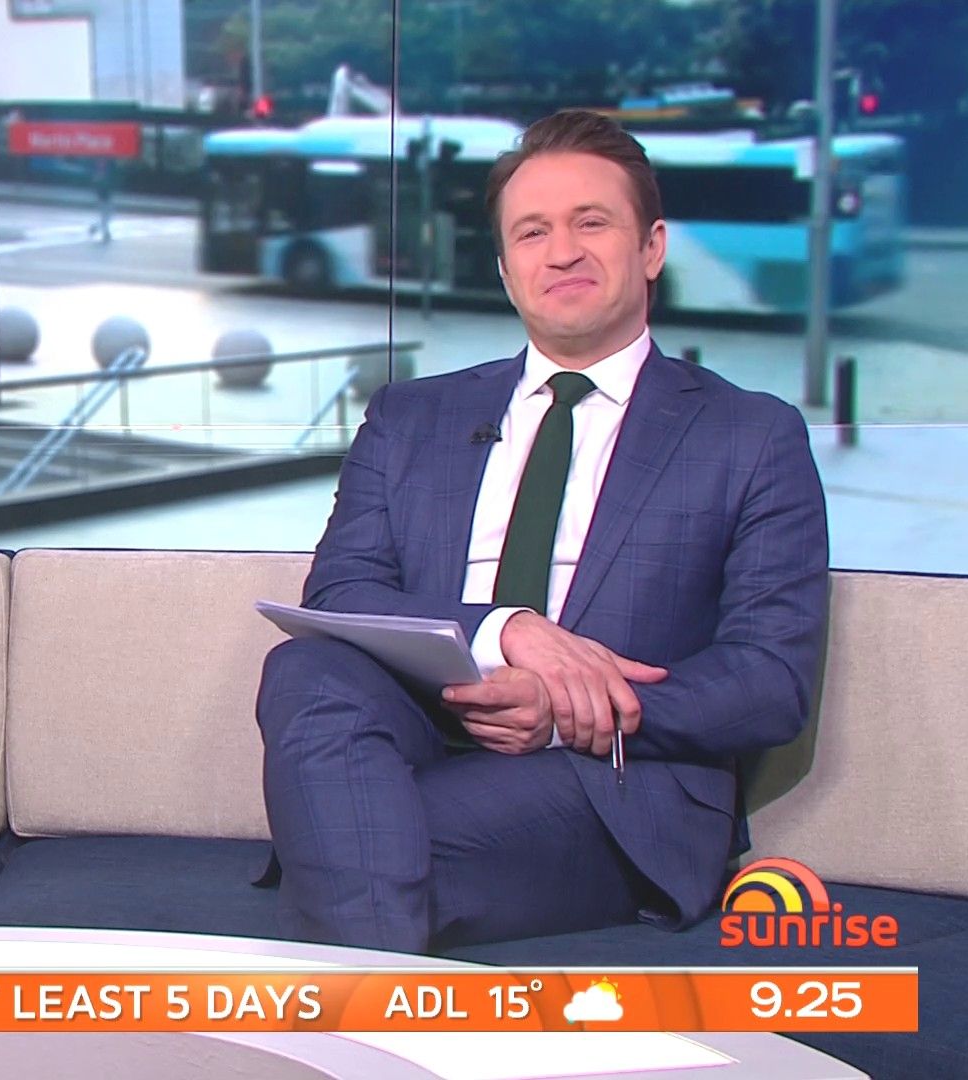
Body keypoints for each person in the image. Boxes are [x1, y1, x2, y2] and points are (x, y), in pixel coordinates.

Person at [255, 110, 829, 952]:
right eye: (532, 232)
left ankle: (346, 958)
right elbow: (343, 593)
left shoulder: (751, 434)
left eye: (591, 223)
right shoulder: (410, 415)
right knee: (305, 668)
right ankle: (369, 955)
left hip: (610, 780)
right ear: (505, 267)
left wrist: (563, 709)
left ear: (652, 248)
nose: (561, 252)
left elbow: (770, 679)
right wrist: (505, 631)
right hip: (419, 730)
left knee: (362, 842)